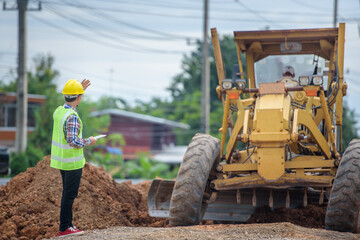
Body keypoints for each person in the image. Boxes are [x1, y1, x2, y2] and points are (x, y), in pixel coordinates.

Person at [50, 79, 97, 237]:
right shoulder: (72, 117)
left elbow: (70, 102)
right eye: (80, 96)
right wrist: (89, 141)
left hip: (61, 161)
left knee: (67, 194)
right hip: (72, 163)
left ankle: (67, 225)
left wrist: (78, 91)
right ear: (79, 98)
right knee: (69, 195)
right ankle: (65, 228)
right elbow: (73, 141)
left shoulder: (59, 112)